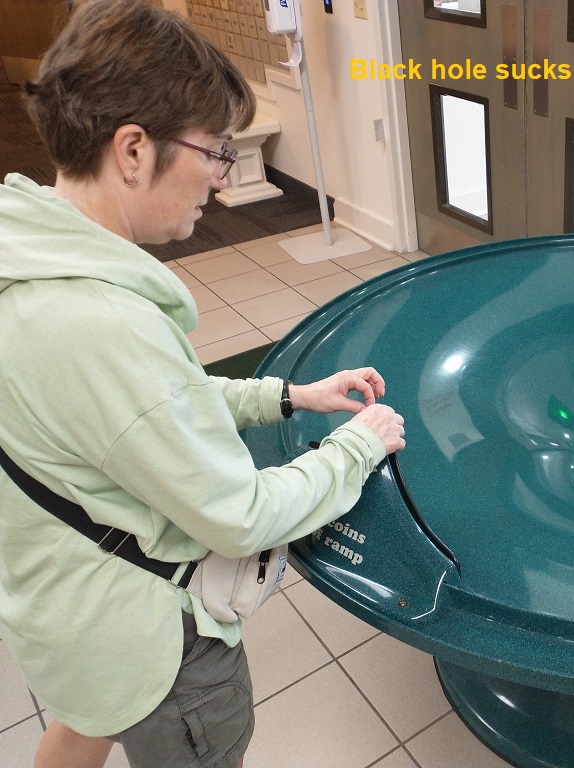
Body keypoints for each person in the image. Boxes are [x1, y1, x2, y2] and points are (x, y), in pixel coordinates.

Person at [0, 1, 406, 766]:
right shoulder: (102, 325)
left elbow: (143, 412)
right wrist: (357, 446)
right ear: (133, 149)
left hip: (62, 603)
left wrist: (290, 397)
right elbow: (241, 517)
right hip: (145, 641)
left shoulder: (25, 261)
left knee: (81, 725)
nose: (220, 178)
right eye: (216, 150)